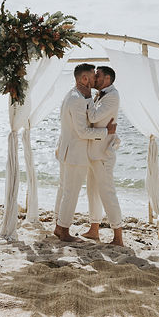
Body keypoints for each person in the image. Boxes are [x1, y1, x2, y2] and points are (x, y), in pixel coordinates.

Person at [53, 63, 116, 242]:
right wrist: (107, 132)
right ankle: (63, 230)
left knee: (65, 190)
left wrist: (89, 98)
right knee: (70, 193)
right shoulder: (77, 99)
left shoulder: (75, 95)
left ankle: (59, 226)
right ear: (84, 79)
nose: (96, 79)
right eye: (93, 77)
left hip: (67, 150)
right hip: (75, 153)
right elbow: (83, 132)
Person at [84, 65, 124, 246]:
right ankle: (94, 230)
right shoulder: (99, 95)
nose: (94, 79)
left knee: (108, 193)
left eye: (97, 76)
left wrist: (86, 96)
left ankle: (118, 236)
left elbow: (92, 118)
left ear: (107, 79)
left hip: (104, 154)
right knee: (92, 192)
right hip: (93, 151)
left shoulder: (113, 97)